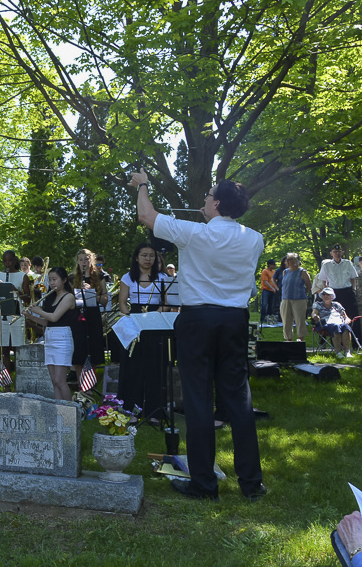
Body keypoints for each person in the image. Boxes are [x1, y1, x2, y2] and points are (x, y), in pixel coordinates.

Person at [131, 168, 266, 502]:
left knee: (198, 400)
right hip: (235, 320)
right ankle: (251, 484)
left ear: (217, 203)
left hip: (198, 320)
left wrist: (143, 184)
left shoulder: (194, 233)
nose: (204, 199)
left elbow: (146, 215)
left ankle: (204, 485)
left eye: (208, 195)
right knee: (239, 400)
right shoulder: (255, 238)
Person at [116, 243, 168, 418]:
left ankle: (155, 411)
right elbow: (122, 302)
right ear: (136, 258)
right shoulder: (127, 277)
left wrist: (154, 317)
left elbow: (166, 303)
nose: (148, 259)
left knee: (155, 367)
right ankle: (130, 410)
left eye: (151, 255)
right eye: (144, 255)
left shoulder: (163, 277)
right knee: (133, 367)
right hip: (134, 321)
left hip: (155, 321)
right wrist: (131, 319)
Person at [26, 267, 77, 400]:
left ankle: (69, 409)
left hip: (62, 339)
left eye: (55, 279)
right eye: (50, 280)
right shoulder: (50, 297)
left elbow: (54, 317)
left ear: (64, 280)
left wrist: (38, 311)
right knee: (54, 381)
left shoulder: (69, 297)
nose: (52, 283)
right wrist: (30, 317)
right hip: (50, 338)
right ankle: (58, 409)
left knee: (60, 381)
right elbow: (47, 322)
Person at [72, 249, 110, 369]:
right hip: (77, 316)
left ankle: (92, 377)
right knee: (79, 350)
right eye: (81, 259)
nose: (84, 262)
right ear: (77, 262)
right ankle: (79, 378)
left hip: (93, 316)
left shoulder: (100, 277)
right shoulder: (72, 278)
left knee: (94, 349)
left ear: (92, 260)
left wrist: (91, 293)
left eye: (86, 259)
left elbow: (104, 300)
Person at [0, 250, 31, 369]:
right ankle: (6, 378)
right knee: (3, 349)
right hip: (1, 315)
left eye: (10, 260)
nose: (7, 263)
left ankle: (18, 377)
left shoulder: (22, 276)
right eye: (5, 261)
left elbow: (28, 299)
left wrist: (15, 290)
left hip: (17, 315)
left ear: (15, 260)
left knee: (18, 349)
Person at [320, 244, 360, 345]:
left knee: (353, 317)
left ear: (342, 253)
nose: (337, 254)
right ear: (331, 253)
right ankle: (338, 345)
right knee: (334, 318)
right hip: (334, 293)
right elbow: (323, 280)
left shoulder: (348, 263)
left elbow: (353, 278)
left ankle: (356, 344)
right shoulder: (326, 265)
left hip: (347, 291)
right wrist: (326, 292)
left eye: (339, 252)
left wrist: (353, 289)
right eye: (335, 252)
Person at [312, 288, 354, 358]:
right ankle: (338, 352)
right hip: (325, 324)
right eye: (324, 294)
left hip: (338, 321)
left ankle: (347, 351)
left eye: (328, 294)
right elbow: (314, 313)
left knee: (346, 327)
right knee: (335, 326)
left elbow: (345, 316)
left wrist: (347, 319)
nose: (325, 296)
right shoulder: (318, 304)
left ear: (332, 296)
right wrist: (315, 316)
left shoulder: (336, 304)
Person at [279, 253, 312, 342]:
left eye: (291, 259)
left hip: (299, 299)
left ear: (297, 261)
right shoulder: (285, 272)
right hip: (285, 299)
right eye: (287, 260)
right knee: (286, 321)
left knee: (300, 320)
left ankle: (300, 339)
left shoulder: (302, 272)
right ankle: (288, 339)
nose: (288, 261)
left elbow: (309, 285)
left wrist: (303, 293)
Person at [260, 259, 279, 324]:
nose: (275, 266)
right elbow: (265, 281)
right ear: (270, 265)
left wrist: (275, 288)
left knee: (271, 305)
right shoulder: (265, 271)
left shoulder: (274, 272)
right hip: (266, 290)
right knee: (264, 304)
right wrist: (272, 288)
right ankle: (262, 319)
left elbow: (275, 280)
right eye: (274, 265)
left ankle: (269, 318)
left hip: (272, 291)